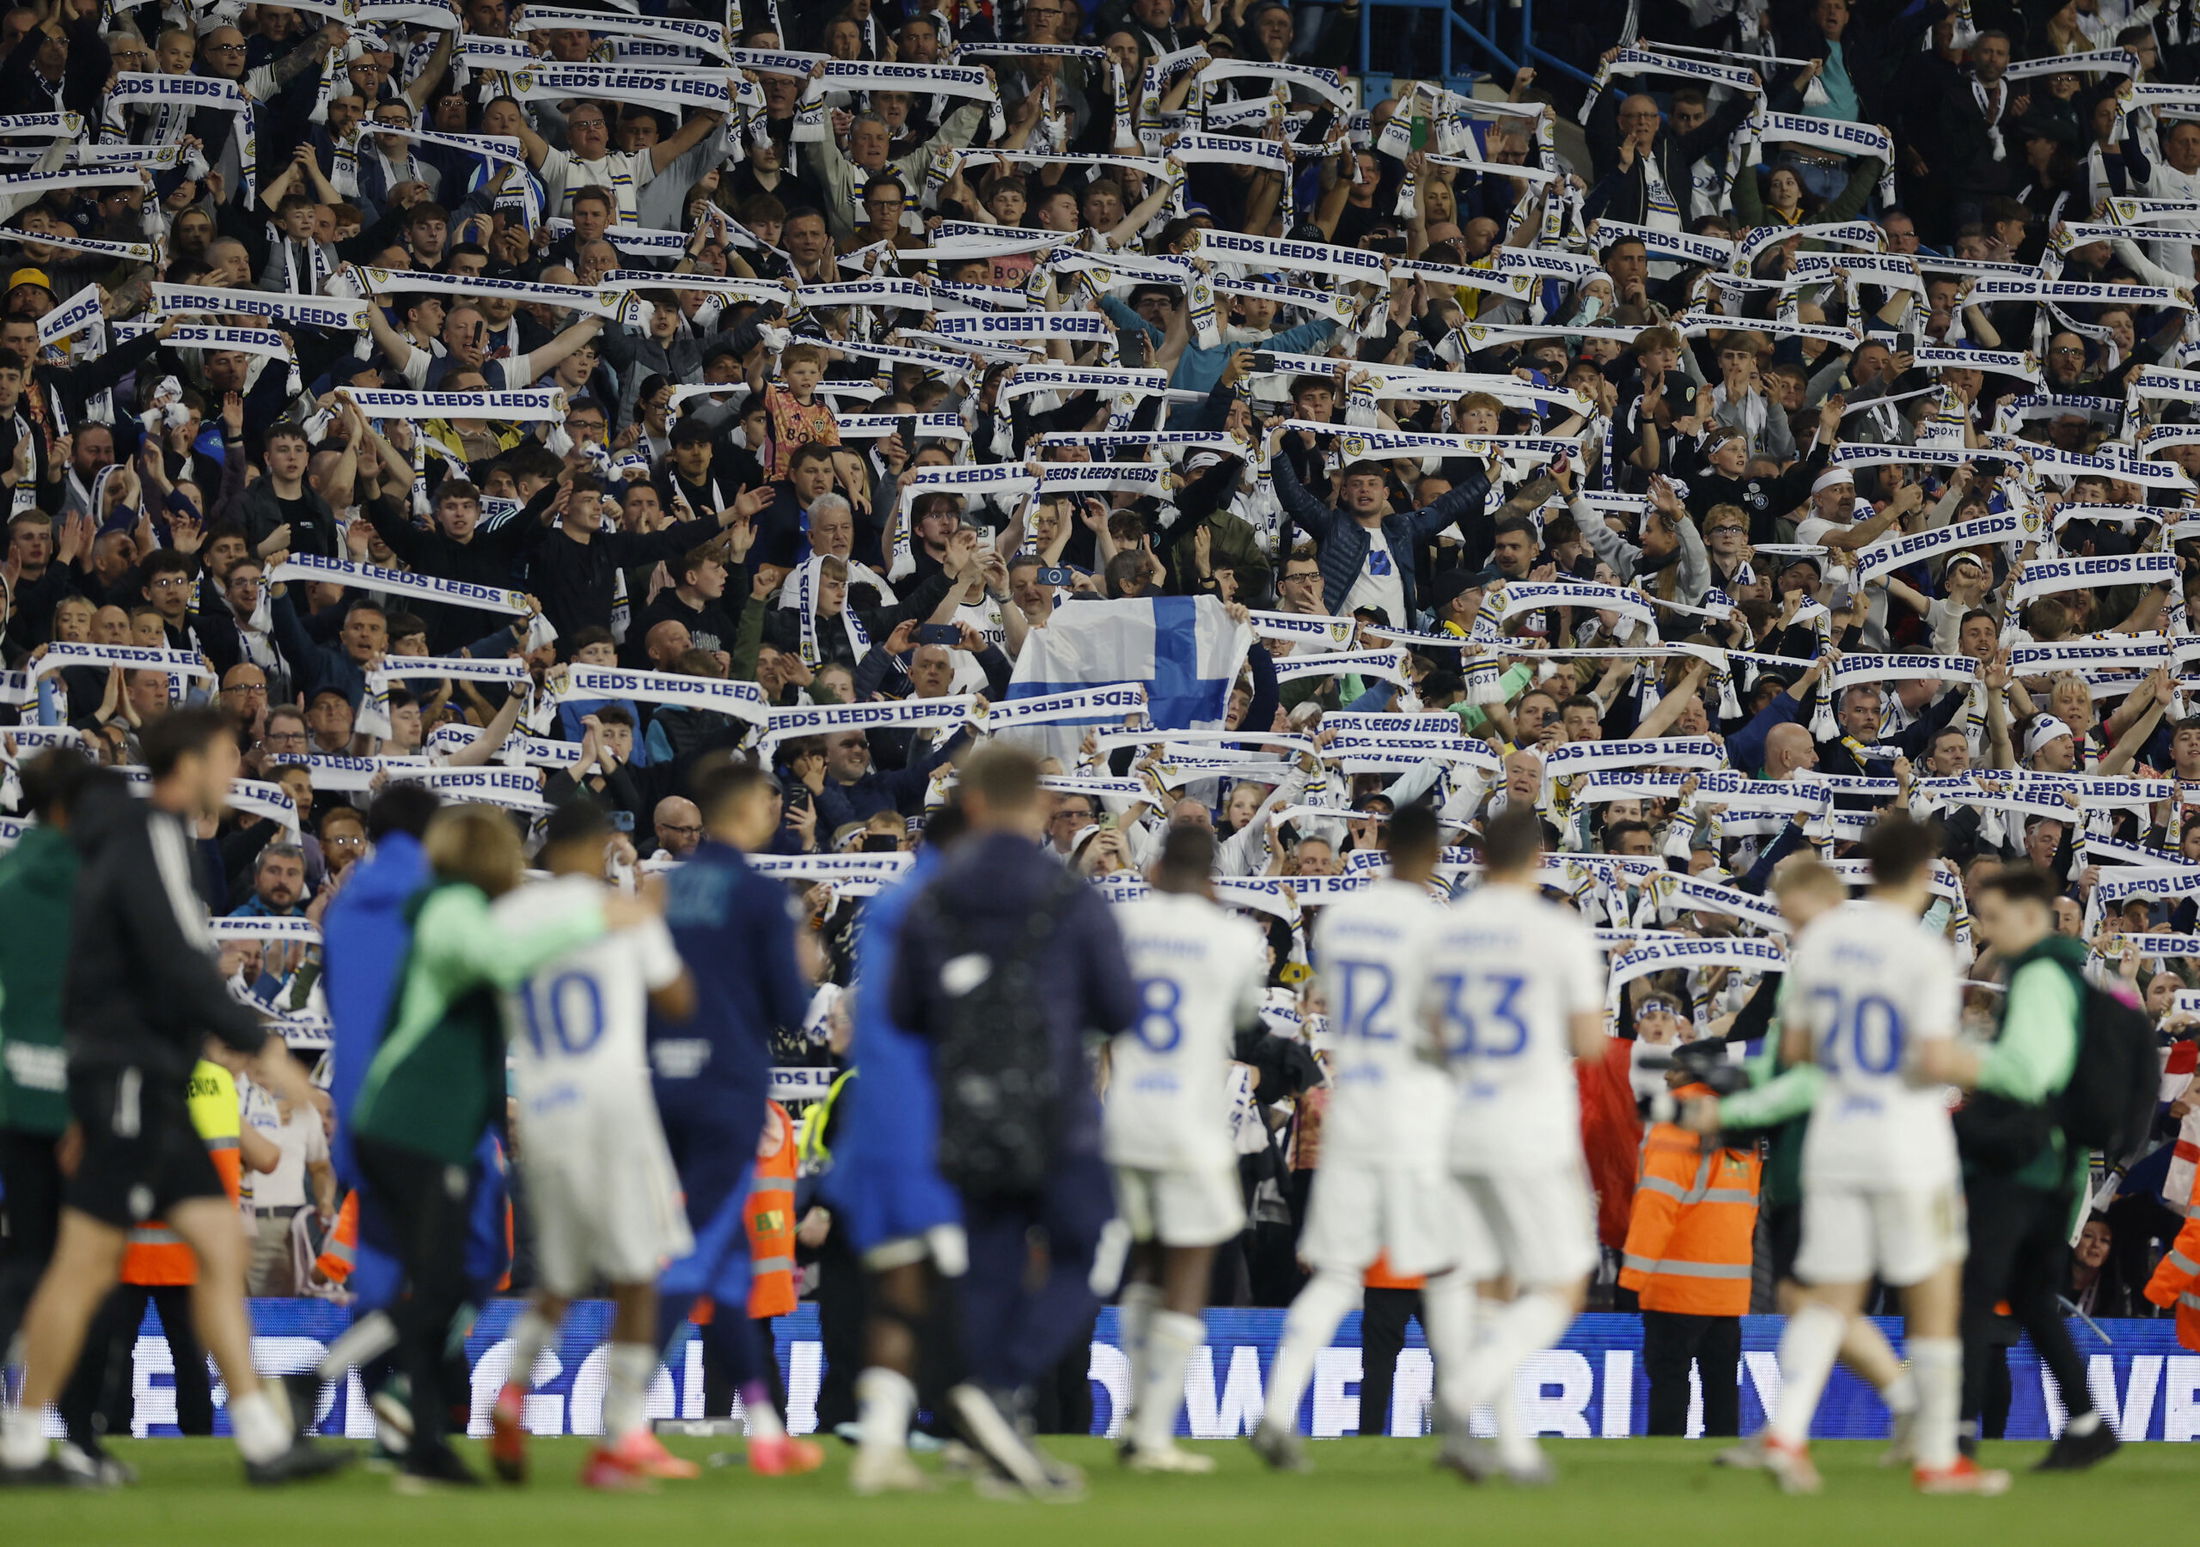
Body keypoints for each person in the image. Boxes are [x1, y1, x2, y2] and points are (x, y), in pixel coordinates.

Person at [0, 711, 347, 1487]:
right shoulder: (147, 833)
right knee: (82, 1267)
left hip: (153, 1079)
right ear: (189, 761)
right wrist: (266, 1054)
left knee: (217, 1248)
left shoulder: (167, 842)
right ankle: (23, 1445)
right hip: (126, 1079)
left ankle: (262, 1440)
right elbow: (176, 965)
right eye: (227, 755)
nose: (236, 768)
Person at [347, 803, 655, 1488]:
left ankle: (420, 1437)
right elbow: (505, 959)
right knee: (448, 1282)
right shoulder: (452, 909)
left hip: (429, 1125)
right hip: (410, 1123)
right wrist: (600, 913)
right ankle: (357, 1383)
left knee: (448, 1281)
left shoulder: (454, 909)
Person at [1713, 816, 2003, 1496]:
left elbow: (1794, 1054)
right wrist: (1995, 1063)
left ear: (1866, 865)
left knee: (1826, 1297)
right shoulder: (1925, 953)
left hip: (1834, 1140)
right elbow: (1934, 1058)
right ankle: (1936, 1458)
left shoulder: (1823, 945)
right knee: (1931, 1295)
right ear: (1928, 868)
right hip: (1908, 1144)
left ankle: (1787, 1434)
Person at [888, 744, 1140, 1497]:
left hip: (963, 1110)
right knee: (1085, 1251)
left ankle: (987, 1427)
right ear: (1035, 809)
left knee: (990, 1264)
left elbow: (902, 1009)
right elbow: (1122, 1007)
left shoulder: (932, 896)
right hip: (1054, 1108)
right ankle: (999, 1385)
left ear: (968, 806)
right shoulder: (1066, 894)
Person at [486, 800, 699, 1491]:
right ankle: (623, 1433)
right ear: (605, 844)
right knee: (639, 1268)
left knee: (561, 1274)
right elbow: (678, 1000)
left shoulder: (512, 915)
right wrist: (651, 906)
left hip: (543, 1112)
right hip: (614, 1107)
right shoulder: (624, 914)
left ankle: (513, 1389)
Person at [1251, 804, 1470, 1474]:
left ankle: (1276, 1410)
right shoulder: (1441, 930)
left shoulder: (1343, 922)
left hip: (1353, 1108)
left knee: (1340, 1271)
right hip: (1416, 1113)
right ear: (1430, 855)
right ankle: (1460, 1419)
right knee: (1449, 1268)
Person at [1913, 864, 2121, 1473]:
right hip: (2047, 1160)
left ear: (2028, 917)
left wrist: (1963, 1061)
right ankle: (2085, 1424)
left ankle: (1957, 1437)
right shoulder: (2057, 976)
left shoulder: (2040, 978)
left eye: (1996, 917)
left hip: (2021, 1158)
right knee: (2029, 1298)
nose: (1986, 928)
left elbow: (2032, 1075)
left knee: (1978, 1295)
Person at [648, 759, 823, 1478]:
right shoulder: (757, 895)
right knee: (704, 1257)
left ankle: (766, 1425)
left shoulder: (663, 890)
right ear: (746, 809)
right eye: (768, 800)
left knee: (725, 1260)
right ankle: (624, 1414)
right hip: (726, 1091)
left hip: (664, 1086)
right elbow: (789, 1007)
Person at [1427, 805, 1606, 1484]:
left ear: (1478, 859)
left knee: (1491, 1286)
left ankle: (1510, 1444)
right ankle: (1462, 1390)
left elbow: (1434, 1029)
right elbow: (1589, 1042)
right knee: (1563, 1282)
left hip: (1464, 1123)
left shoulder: (1451, 930)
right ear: (1537, 859)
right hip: (1531, 1126)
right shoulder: (1555, 930)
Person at [1106, 823, 1266, 1473]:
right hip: (1189, 1123)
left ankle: (1133, 1415)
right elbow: (1246, 1019)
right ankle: (1151, 1434)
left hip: (1124, 1114)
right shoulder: (1233, 937)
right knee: (1188, 1267)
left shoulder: (1121, 925)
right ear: (1212, 879)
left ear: (1155, 865)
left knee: (1143, 1262)